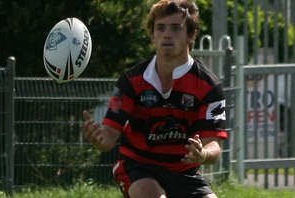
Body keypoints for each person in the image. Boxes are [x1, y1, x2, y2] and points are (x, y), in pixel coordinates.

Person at [82, 0, 228, 197]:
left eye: (176, 28)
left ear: (191, 35)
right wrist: (98, 140)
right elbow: (108, 139)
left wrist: (202, 155)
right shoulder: (131, 81)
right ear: (152, 35)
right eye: (160, 28)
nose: (167, 34)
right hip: (138, 166)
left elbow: (214, 147)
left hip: (184, 173)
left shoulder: (208, 86)